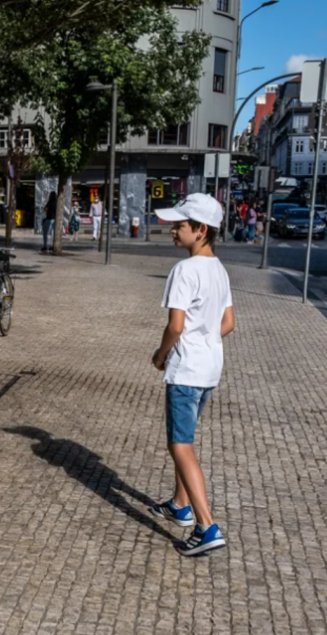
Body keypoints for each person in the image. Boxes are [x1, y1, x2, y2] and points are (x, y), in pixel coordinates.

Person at [148, 193, 234, 557]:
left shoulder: (184, 270)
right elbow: (227, 323)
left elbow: (176, 325)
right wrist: (205, 340)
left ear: (201, 230)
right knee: (186, 437)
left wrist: (161, 354)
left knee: (179, 444)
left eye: (179, 225)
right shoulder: (219, 269)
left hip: (186, 371)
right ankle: (180, 505)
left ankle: (206, 525)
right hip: (210, 369)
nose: (172, 230)